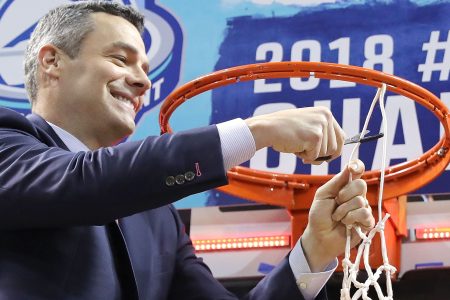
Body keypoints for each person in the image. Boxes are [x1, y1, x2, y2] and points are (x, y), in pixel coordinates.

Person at [0, 1, 374, 299]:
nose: (143, 80)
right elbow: (86, 182)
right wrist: (254, 132)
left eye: (146, 67)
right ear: (52, 61)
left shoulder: (157, 216)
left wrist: (313, 251)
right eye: (120, 59)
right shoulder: (7, 141)